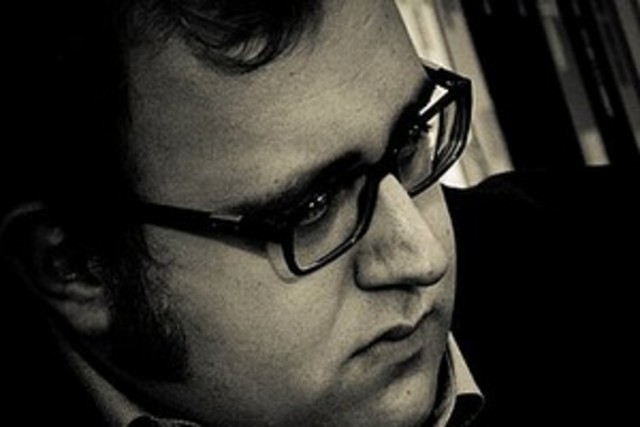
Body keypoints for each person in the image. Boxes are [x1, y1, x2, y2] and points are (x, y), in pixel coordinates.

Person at [1, 1, 638, 426]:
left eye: (410, 142)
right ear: (76, 265)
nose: (424, 256)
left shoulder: (603, 260)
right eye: (309, 207)